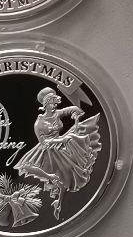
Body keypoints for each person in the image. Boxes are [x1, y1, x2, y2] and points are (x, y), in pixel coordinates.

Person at [14, 87, 101, 220]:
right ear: (45, 104)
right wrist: (60, 140)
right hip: (47, 150)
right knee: (53, 174)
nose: (55, 106)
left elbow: (72, 109)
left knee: (67, 172)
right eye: (52, 103)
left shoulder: (57, 114)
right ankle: (55, 195)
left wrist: (76, 113)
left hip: (60, 145)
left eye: (55, 103)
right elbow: (43, 142)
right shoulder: (39, 123)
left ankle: (58, 203)